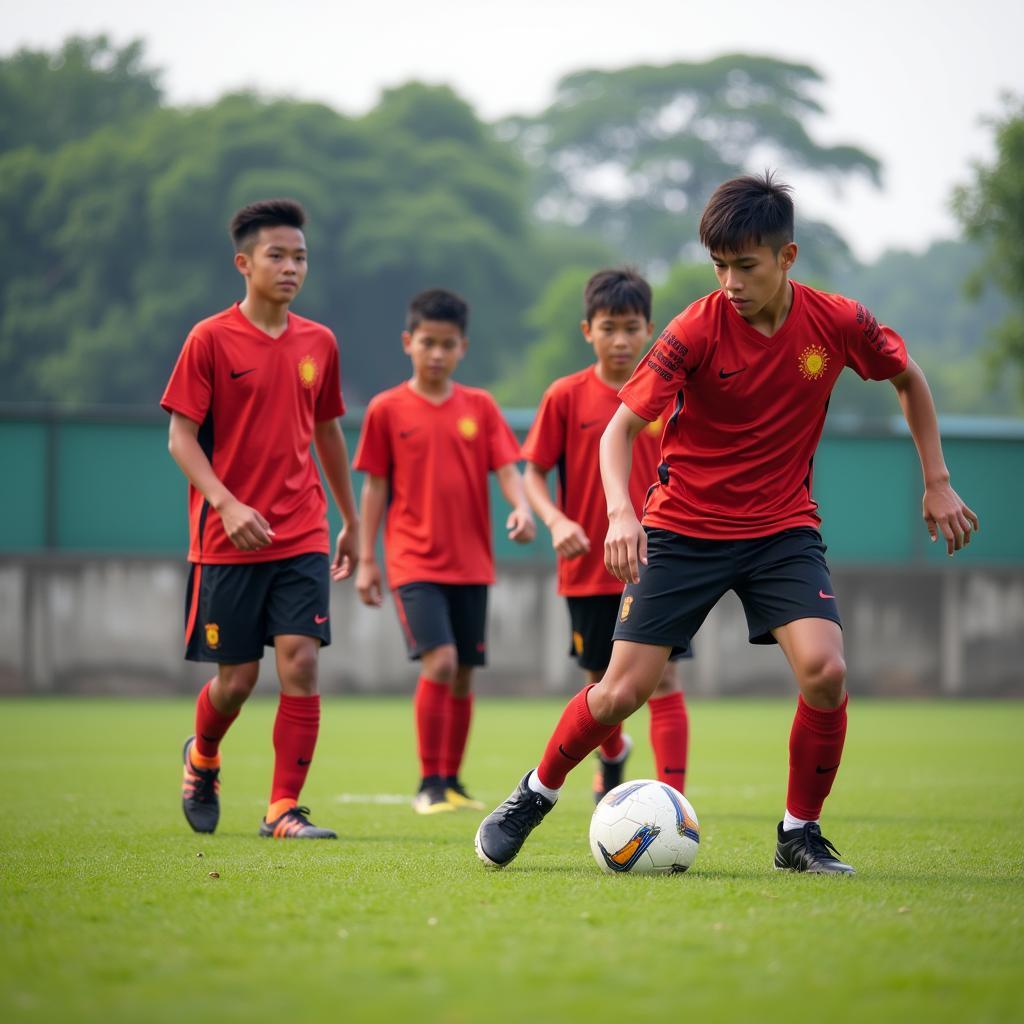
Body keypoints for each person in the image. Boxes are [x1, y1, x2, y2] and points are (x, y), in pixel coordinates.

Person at [476, 172, 979, 874]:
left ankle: (798, 834)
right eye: (719, 266)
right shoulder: (694, 328)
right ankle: (535, 793)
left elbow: (908, 378)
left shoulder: (836, 322)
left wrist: (937, 481)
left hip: (782, 530)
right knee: (622, 691)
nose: (731, 281)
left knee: (826, 672)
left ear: (787, 258)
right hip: (683, 530)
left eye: (746, 266)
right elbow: (617, 430)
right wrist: (623, 511)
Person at [162, 198, 359, 840]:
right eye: (277, 255)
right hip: (227, 539)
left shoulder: (318, 342)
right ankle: (204, 756)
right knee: (237, 679)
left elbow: (327, 432)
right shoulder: (209, 339)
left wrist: (350, 518)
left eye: (300, 256)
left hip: (301, 530)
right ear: (243, 263)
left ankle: (282, 808)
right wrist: (225, 501)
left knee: (300, 661)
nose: (291, 267)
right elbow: (181, 438)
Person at [353, 288, 536, 814]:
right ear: (408, 343)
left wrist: (521, 508)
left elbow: (507, 468)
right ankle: (428, 784)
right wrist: (368, 559)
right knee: (440, 660)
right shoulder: (387, 409)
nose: (436, 353)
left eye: (447, 344)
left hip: (471, 563)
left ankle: (452, 781)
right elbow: (375, 489)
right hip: (414, 562)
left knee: (462, 672)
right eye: (427, 342)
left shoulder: (478, 407)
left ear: (463, 348)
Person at [520, 268, 690, 801]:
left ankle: (671, 797)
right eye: (609, 327)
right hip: (589, 568)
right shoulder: (565, 396)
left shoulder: (673, 392)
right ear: (586, 330)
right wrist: (556, 520)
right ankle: (613, 752)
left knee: (663, 680)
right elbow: (533, 471)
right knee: (603, 682)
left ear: (651, 330)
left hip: (661, 562)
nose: (620, 340)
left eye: (632, 327)